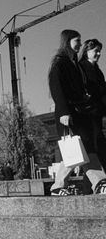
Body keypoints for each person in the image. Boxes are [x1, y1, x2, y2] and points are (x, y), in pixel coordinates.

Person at [48, 30, 106, 196]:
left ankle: (58, 186)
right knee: (83, 148)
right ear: (67, 41)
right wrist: (64, 112)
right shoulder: (60, 63)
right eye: (77, 41)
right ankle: (100, 181)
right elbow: (57, 88)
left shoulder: (72, 62)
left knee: (75, 150)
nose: (80, 44)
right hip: (68, 114)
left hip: (77, 113)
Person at [77, 38, 106, 168]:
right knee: (94, 150)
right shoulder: (81, 68)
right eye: (96, 51)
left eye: (100, 51)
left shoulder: (98, 70)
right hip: (87, 115)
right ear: (86, 51)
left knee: (95, 151)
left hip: (97, 114)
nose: (99, 54)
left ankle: (90, 187)